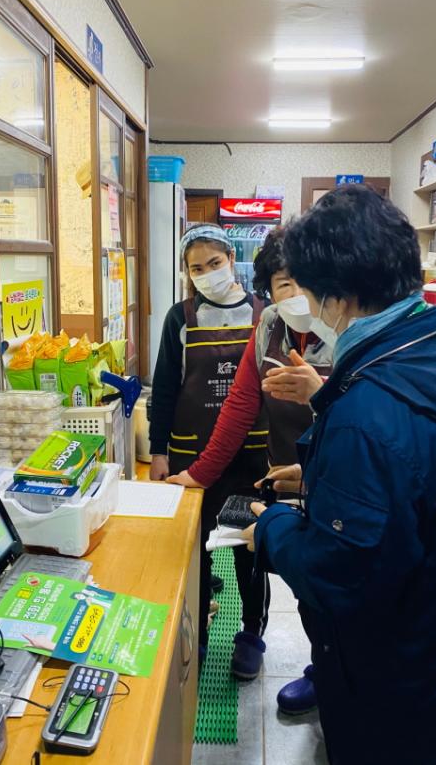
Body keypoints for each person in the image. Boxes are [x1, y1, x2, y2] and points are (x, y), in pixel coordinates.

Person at [245, 185, 436, 765]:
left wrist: (270, 530)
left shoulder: (367, 415)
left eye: (307, 291)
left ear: (339, 296)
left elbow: (339, 576)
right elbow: (428, 484)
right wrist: (323, 477)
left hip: (412, 710)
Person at [169, 227, 331, 685]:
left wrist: (320, 394)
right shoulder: (270, 328)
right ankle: (324, 671)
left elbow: (370, 415)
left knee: (332, 580)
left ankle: (327, 674)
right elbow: (240, 404)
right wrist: (200, 473)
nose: (296, 295)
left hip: (341, 473)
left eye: (306, 281)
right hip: (287, 470)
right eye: (284, 284)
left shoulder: (345, 329)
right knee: (299, 572)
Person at [149, 223, 270, 661]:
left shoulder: (264, 315)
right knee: (193, 547)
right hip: (191, 456)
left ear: (231, 259)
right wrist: (158, 452)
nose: (206, 273)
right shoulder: (179, 317)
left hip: (250, 458)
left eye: (214, 263)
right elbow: (165, 388)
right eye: (196, 268)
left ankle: (251, 634)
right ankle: (195, 632)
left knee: (248, 546)